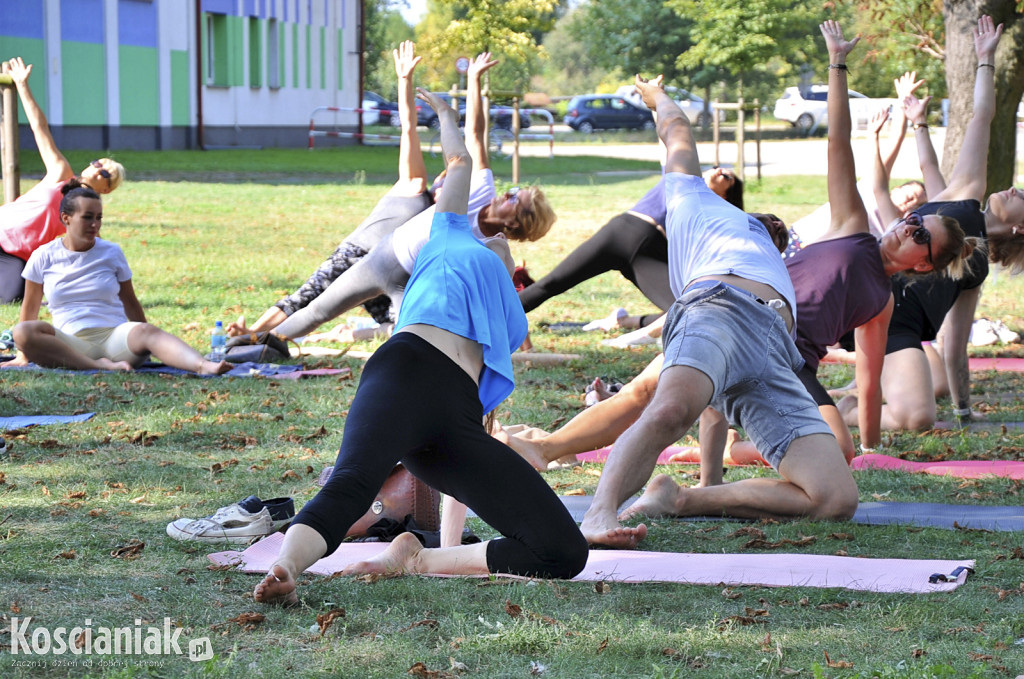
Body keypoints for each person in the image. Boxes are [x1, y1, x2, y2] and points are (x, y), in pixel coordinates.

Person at [253, 89, 588, 606]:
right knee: (350, 485)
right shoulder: (450, 233)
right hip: (405, 373)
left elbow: (486, 414)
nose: (499, 244)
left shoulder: (511, 315)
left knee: (564, 553)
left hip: (454, 421)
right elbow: (461, 161)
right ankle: (286, 567)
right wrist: (448, 114)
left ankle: (419, 559)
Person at [580, 36, 864, 550]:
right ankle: (598, 515)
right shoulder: (695, 202)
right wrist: (656, 97)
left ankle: (680, 499)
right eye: (768, 223)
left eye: (780, 229)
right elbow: (678, 132)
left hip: (775, 353)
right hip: (718, 307)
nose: (777, 227)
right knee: (670, 410)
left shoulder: (774, 251)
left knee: (835, 497)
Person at [232, 52, 556, 346]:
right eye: (514, 190)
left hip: (408, 281)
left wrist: (515, 337)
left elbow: (493, 294)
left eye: (515, 198)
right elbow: (466, 134)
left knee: (408, 332)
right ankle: (256, 339)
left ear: (515, 222)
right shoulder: (453, 187)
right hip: (376, 259)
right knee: (314, 303)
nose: (507, 192)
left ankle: (268, 338)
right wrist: (469, 81)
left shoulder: (490, 248)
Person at [837, 15, 1005, 433]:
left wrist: (965, 413)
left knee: (934, 395)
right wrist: (985, 61)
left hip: (905, 329)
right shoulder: (962, 194)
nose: (1015, 191)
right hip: (875, 306)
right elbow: (981, 117)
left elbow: (956, 343)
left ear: (1021, 229)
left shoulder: (974, 263)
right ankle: (850, 402)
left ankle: (856, 400)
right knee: (921, 412)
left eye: (1023, 201)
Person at [227, 41, 434, 341]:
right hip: (356, 257)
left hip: (389, 275)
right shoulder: (414, 186)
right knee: (307, 299)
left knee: (407, 327)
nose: (443, 181)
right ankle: (254, 334)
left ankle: (349, 334)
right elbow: (409, 128)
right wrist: (404, 81)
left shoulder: (438, 218)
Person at [4, 181, 231, 374]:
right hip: (71, 344)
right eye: (87, 218)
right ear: (66, 218)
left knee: (146, 330)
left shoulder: (111, 252)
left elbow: (130, 301)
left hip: (115, 337)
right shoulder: (43, 255)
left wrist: (145, 340)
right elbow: (30, 308)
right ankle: (97, 366)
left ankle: (203, 366)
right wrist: (23, 355)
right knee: (23, 331)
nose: (95, 224)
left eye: (99, 217)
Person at [519, 167, 744, 327]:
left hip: (650, 252)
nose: (717, 171)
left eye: (726, 176)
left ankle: (628, 322)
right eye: (717, 167)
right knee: (552, 283)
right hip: (621, 231)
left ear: (726, 195)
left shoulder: (714, 215)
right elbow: (667, 132)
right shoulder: (681, 173)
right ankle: (492, 319)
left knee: (691, 312)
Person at [0, 57, 125, 303]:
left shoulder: (88, 213)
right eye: (98, 163)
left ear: (107, 190)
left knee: (14, 297)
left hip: (17, 256)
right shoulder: (60, 172)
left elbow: (88, 254)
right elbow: (39, 128)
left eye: (106, 173)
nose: (98, 169)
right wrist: (22, 85)